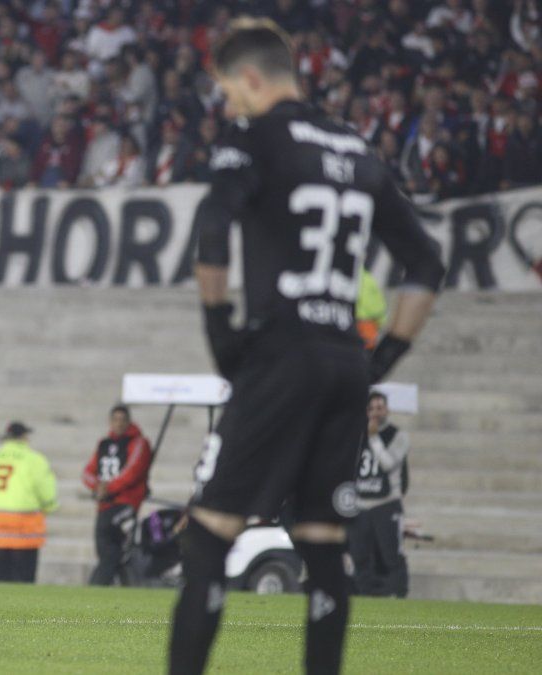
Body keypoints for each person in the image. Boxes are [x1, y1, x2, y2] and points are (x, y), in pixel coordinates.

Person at [168, 19, 445, 675]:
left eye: (230, 92)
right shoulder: (356, 147)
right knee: (323, 545)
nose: (229, 106)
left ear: (253, 78)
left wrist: (220, 333)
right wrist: (381, 362)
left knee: (208, 537)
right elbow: (427, 263)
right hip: (345, 364)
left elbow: (213, 230)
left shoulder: (256, 136)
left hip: (279, 354)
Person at [82, 405, 152, 586]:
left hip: (125, 503)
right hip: (104, 504)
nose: (119, 424)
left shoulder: (138, 443)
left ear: (129, 422)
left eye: (122, 420)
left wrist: (108, 488)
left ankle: (96, 586)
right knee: (107, 549)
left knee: (110, 547)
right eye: (115, 419)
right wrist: (98, 487)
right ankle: (127, 586)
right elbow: (87, 472)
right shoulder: (103, 444)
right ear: (110, 421)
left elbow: (132, 471)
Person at [349, 392, 410, 598]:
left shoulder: (398, 435)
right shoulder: (356, 435)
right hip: (361, 504)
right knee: (360, 555)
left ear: (387, 410)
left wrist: (374, 437)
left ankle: (398, 594)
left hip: (386, 503)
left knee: (391, 555)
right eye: (372, 408)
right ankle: (366, 596)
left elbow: (388, 463)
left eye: (380, 407)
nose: (376, 412)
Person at [0, 422, 58, 584]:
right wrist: (49, 506)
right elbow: (45, 488)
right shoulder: (33, 459)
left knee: (0, 566)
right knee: (24, 571)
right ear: (24, 436)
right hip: (25, 519)